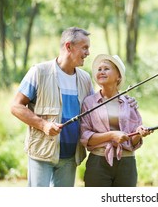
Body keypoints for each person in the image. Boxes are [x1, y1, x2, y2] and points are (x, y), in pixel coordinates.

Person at [10, 27, 137, 187]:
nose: (88, 53)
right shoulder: (39, 72)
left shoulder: (84, 79)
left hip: (71, 157)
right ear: (69, 46)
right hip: (42, 153)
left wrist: (126, 102)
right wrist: (43, 125)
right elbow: (16, 106)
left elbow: (98, 105)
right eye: (84, 47)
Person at [80, 54, 152, 187]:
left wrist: (139, 133)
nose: (101, 71)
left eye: (106, 68)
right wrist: (113, 135)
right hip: (98, 163)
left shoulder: (129, 103)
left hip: (126, 163)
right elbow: (85, 137)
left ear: (118, 76)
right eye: (99, 69)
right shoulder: (89, 102)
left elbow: (132, 139)